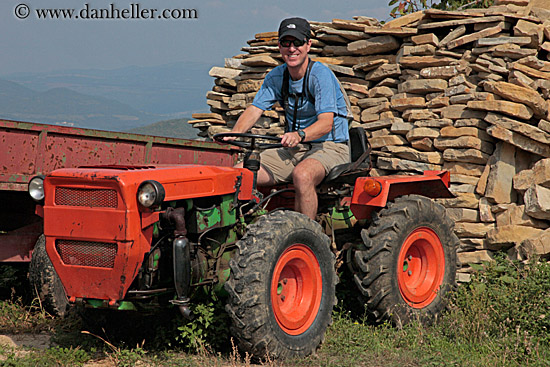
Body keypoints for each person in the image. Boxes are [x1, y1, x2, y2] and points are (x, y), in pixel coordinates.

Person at [226, 17, 350, 220]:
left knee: (302, 175)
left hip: (330, 146)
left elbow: (326, 124)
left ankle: (308, 237)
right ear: (279, 46)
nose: (292, 49)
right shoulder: (276, 76)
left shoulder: (320, 75)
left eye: (297, 42)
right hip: (295, 149)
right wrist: (233, 135)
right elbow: (255, 110)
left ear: (308, 45)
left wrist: (300, 135)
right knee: (239, 174)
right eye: (286, 43)